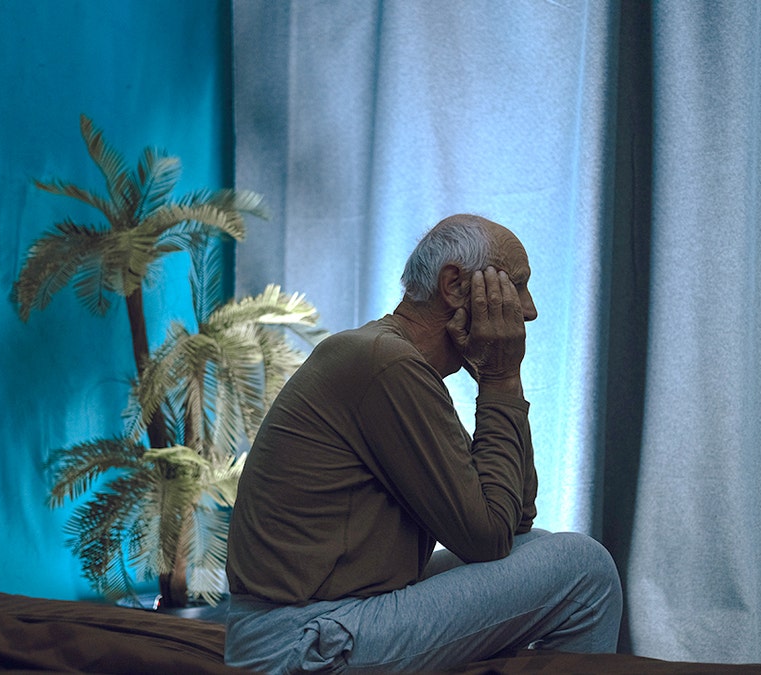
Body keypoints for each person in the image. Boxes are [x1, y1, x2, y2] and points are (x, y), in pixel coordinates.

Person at [223, 214, 622, 673]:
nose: (528, 310)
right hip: (298, 639)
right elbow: (488, 537)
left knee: (540, 546)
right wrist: (501, 377)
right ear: (454, 285)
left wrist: (499, 381)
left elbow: (515, 517)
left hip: (325, 622)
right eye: (515, 286)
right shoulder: (384, 362)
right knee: (586, 568)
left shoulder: (398, 362)